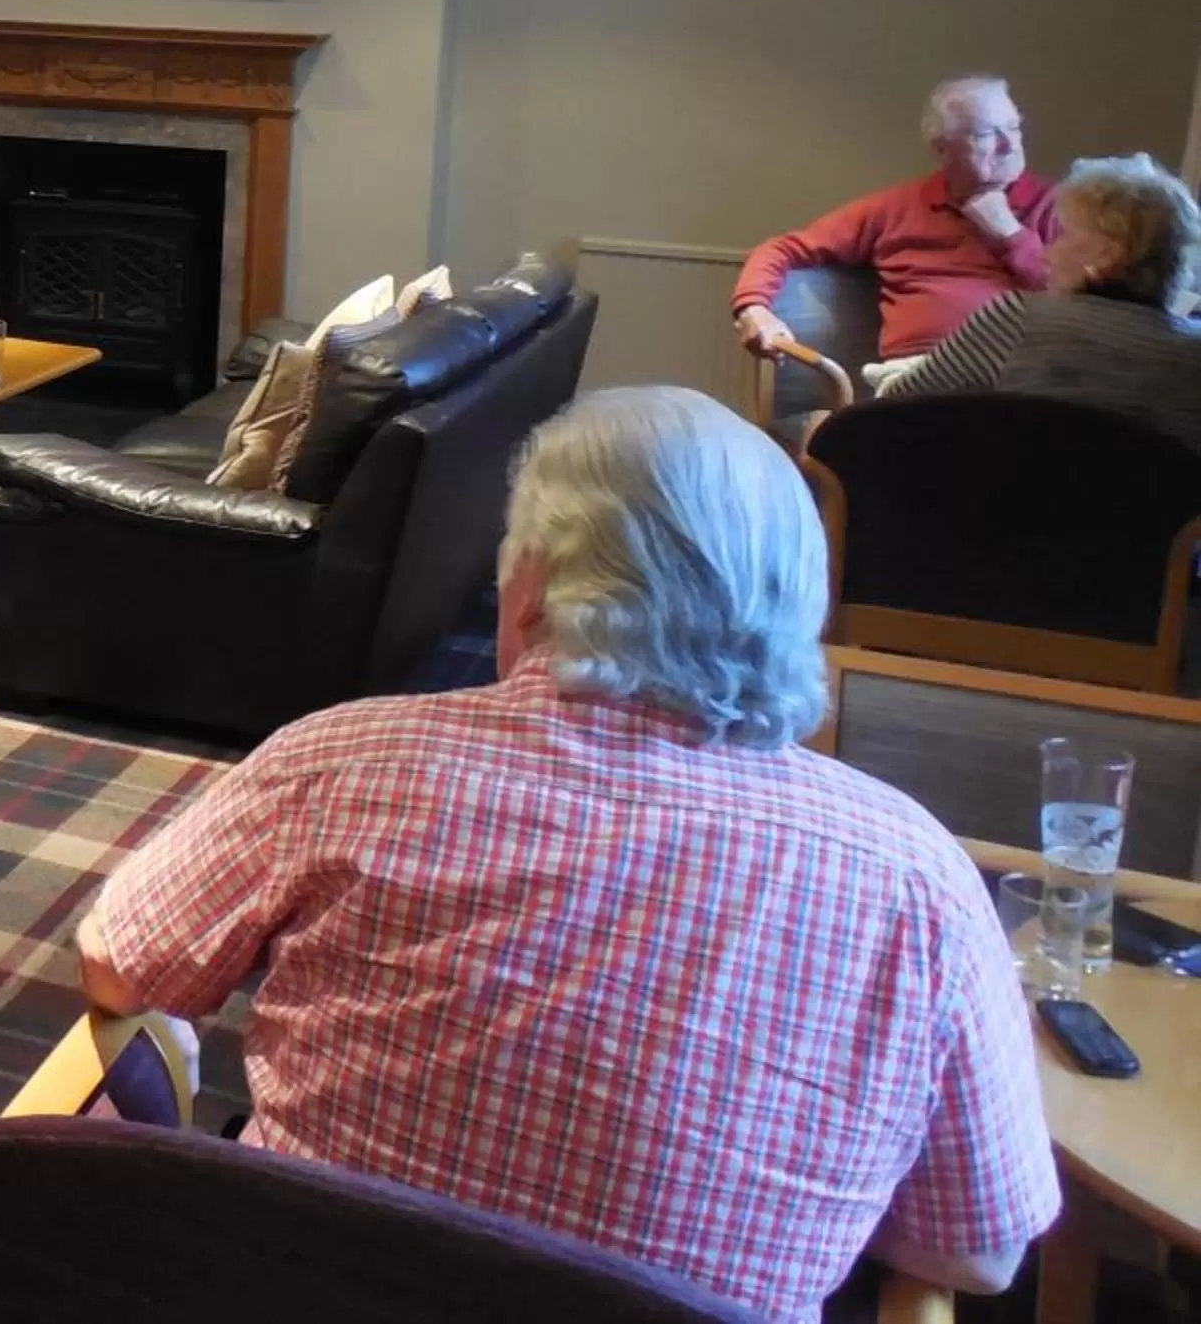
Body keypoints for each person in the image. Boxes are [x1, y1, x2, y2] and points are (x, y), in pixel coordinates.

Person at [76, 387, 1055, 1322]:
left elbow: (121, 964)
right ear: (798, 608)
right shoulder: (915, 879)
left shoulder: (337, 760)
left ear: (532, 583)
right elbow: (974, 1252)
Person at [732, 74, 1057, 372]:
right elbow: (783, 248)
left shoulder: (1056, 206)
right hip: (918, 374)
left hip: (1017, 374)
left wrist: (1010, 236)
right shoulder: (896, 208)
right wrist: (754, 308)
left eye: (1014, 127)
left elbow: (1076, 303)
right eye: (987, 133)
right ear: (942, 149)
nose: (1009, 144)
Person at [882, 152, 1201, 451]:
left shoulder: (1017, 318)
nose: (1047, 254)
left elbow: (893, 410)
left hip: (998, 507)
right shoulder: (1193, 358)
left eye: (1062, 236)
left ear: (1106, 255)